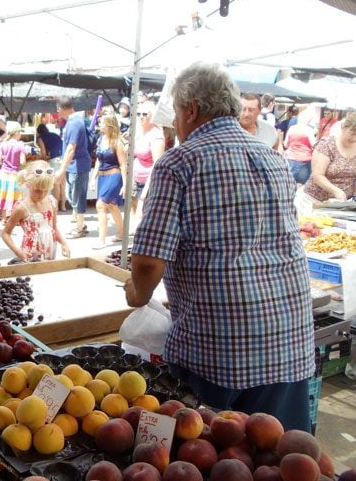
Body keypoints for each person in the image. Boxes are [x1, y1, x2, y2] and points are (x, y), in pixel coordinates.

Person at [125, 63, 315, 431]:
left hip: (217, 350)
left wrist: (136, 294)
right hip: (287, 341)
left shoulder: (180, 162)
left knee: (210, 454)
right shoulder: (272, 158)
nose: (176, 124)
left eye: (177, 114)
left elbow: (148, 264)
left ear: (191, 110)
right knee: (276, 458)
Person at [2, 160, 70, 262]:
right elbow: (5, 233)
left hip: (50, 248)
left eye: (46, 190)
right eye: (37, 190)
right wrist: (18, 252)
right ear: (28, 184)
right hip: (30, 252)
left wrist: (64, 243)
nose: (42, 194)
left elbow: (54, 228)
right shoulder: (21, 208)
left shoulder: (52, 202)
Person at [295, 112, 356, 216]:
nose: (354, 138)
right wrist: (336, 191)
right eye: (352, 133)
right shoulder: (327, 145)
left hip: (341, 206)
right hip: (314, 202)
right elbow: (318, 175)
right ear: (343, 128)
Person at [55, 96, 91, 239]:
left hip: (78, 165)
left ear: (61, 108)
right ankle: (80, 225)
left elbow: (71, 148)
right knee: (73, 196)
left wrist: (61, 170)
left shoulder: (74, 123)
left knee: (77, 196)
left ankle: (80, 227)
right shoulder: (74, 121)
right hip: (75, 165)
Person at [91, 114, 127, 250]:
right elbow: (99, 160)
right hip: (102, 177)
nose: (100, 125)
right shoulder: (101, 139)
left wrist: (124, 184)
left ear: (109, 125)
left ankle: (101, 240)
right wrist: (93, 178)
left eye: (102, 123)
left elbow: (123, 165)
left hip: (114, 175)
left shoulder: (117, 142)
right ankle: (121, 233)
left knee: (100, 205)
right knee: (112, 205)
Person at [131, 101, 165, 223]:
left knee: (142, 218)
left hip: (149, 185)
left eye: (144, 114)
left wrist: (144, 195)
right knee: (136, 217)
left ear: (152, 116)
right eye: (138, 113)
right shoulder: (138, 133)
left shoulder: (156, 136)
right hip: (137, 181)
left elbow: (156, 166)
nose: (141, 116)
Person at [0, 121, 26, 225]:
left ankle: (3, 219)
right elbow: (22, 161)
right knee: (15, 198)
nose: (20, 134)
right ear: (16, 133)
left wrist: (5, 158)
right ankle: (14, 219)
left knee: (4, 196)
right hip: (15, 174)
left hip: (4, 174)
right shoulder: (20, 145)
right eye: (20, 132)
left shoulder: (3, 145)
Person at [36, 123, 66, 212]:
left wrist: (42, 158)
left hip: (55, 159)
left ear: (38, 132)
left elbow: (44, 153)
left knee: (56, 183)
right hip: (63, 158)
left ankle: (55, 206)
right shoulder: (54, 134)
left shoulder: (41, 138)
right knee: (63, 184)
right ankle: (63, 206)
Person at [283, 108, 316, 185]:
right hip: (304, 161)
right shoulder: (309, 130)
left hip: (290, 159)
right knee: (302, 186)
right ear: (308, 120)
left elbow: (285, 144)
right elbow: (314, 145)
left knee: (288, 184)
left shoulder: (292, 128)